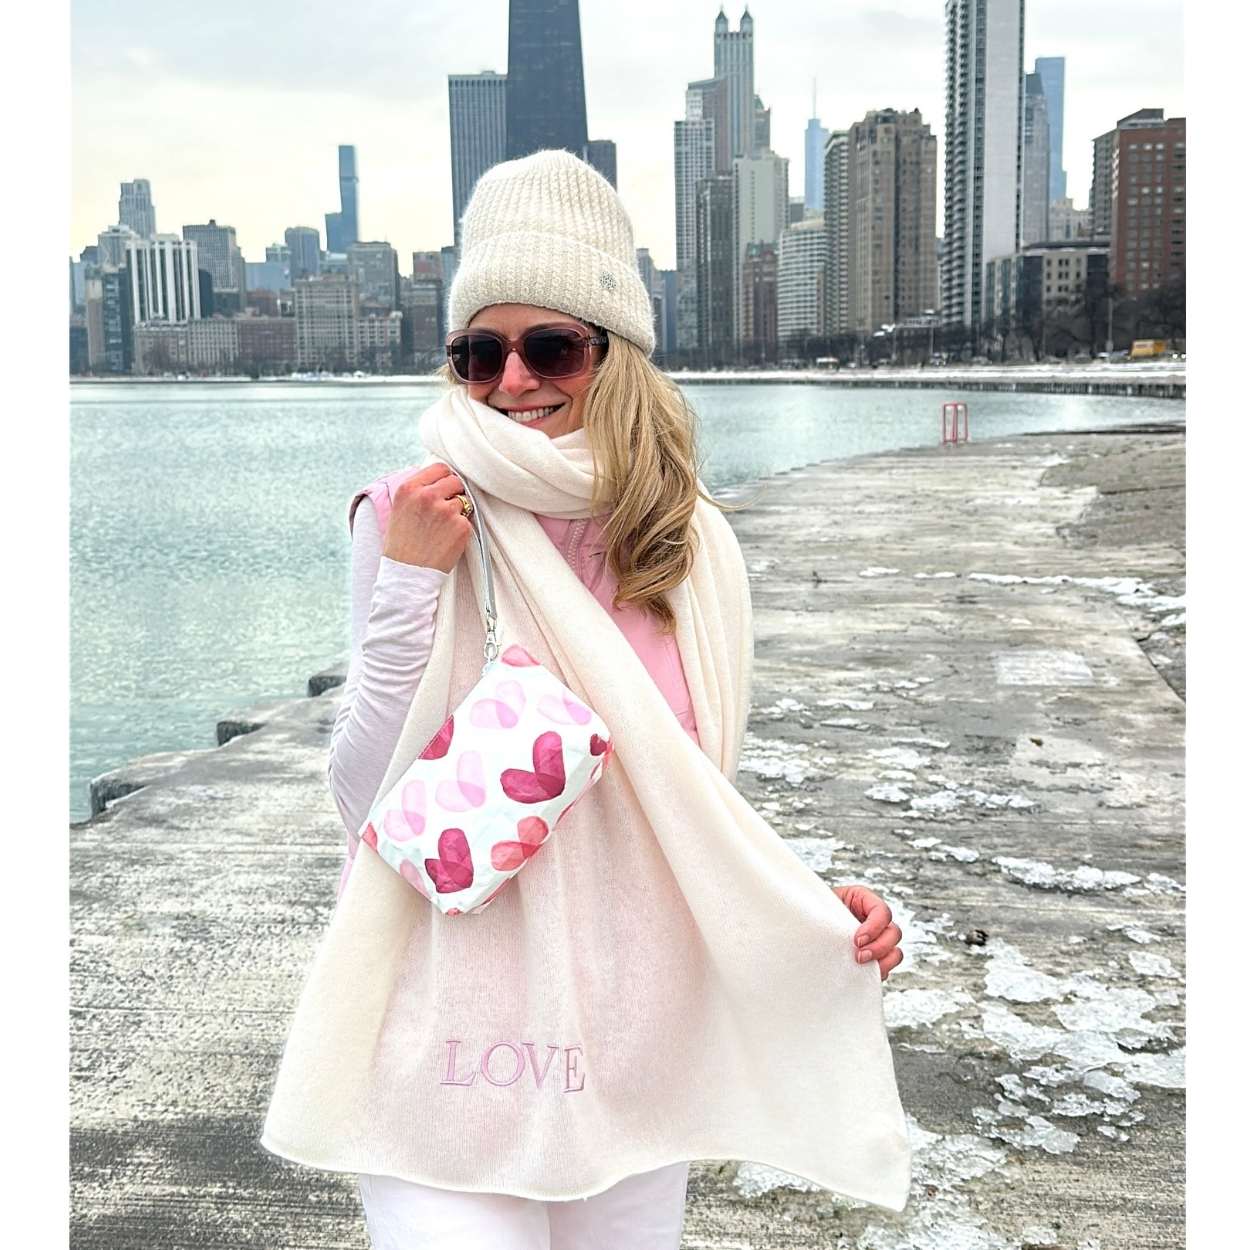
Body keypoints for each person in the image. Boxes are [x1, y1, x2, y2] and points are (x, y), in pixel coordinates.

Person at [262, 150, 911, 1249]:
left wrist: (806, 902)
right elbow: (363, 798)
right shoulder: (409, 515)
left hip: (627, 1039)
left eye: (549, 345)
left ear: (616, 356)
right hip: (442, 1033)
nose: (512, 380)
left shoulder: (689, 545)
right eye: (478, 353)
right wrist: (412, 581)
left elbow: (683, 805)